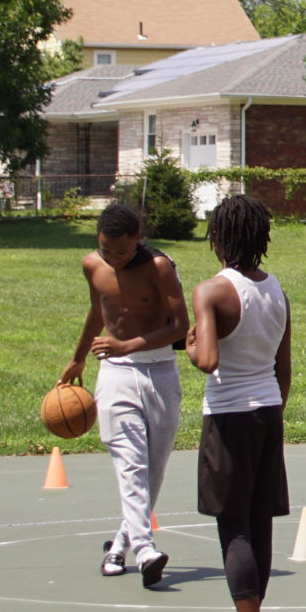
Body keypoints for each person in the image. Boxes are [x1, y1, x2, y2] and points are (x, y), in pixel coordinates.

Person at [190, 194, 293, 612]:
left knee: (233, 527)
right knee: (259, 523)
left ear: (217, 238)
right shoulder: (276, 290)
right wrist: (271, 411)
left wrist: (191, 345)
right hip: (268, 410)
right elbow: (283, 368)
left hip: (229, 416)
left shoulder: (211, 291)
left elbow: (208, 359)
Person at [61, 201, 189, 588]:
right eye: (106, 250)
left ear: (138, 239)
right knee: (131, 464)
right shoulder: (91, 265)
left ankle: (119, 545)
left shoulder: (159, 266)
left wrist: (128, 345)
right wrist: (77, 358)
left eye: (121, 251)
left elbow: (180, 325)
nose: (113, 258)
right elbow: (97, 310)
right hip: (115, 373)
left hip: (159, 370)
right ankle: (146, 549)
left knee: (153, 469)